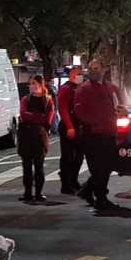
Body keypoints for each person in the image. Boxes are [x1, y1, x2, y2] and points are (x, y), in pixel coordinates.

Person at [74, 59, 127, 212]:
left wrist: (123, 112)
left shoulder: (111, 87)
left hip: (109, 132)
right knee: (98, 169)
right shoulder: (84, 89)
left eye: (97, 68)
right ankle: (101, 198)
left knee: (107, 166)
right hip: (93, 135)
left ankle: (88, 191)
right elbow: (79, 111)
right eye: (91, 68)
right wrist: (95, 122)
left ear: (103, 69)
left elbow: (121, 104)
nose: (94, 71)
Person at [17, 75, 55, 203]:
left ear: (40, 84)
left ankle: (39, 193)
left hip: (40, 136)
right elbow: (23, 114)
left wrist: (32, 116)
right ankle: (27, 192)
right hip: (26, 135)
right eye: (30, 83)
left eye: (34, 83)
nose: (31, 86)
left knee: (39, 166)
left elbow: (48, 119)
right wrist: (39, 116)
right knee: (26, 166)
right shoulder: (25, 99)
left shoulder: (47, 100)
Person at [55, 65, 85, 194]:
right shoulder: (66, 89)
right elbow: (63, 109)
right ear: (71, 75)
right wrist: (69, 127)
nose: (80, 76)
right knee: (68, 156)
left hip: (80, 126)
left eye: (81, 74)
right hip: (69, 126)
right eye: (78, 74)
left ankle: (73, 180)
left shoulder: (81, 88)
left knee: (79, 156)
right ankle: (66, 184)